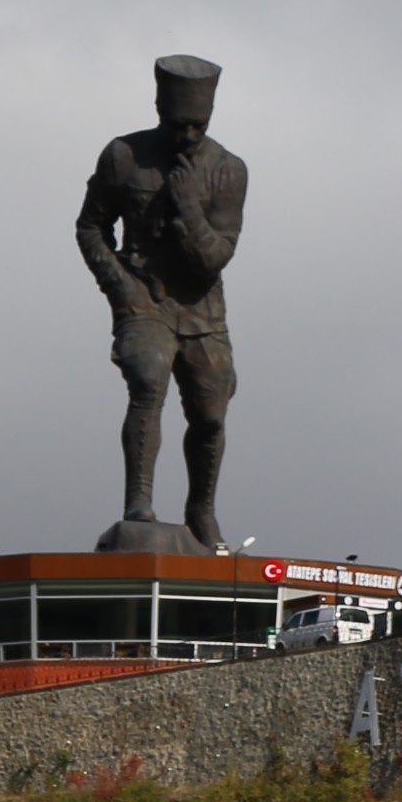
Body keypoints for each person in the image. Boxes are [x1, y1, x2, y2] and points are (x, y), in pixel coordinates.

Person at [75, 54, 248, 548]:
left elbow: (214, 259)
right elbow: (90, 226)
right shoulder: (123, 155)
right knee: (147, 381)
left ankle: (202, 508)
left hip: (202, 311)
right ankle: (139, 499)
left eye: (198, 126)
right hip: (142, 299)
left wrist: (188, 206)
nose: (188, 136)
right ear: (159, 107)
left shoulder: (228, 171)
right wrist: (119, 285)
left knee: (211, 414)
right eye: (179, 124)